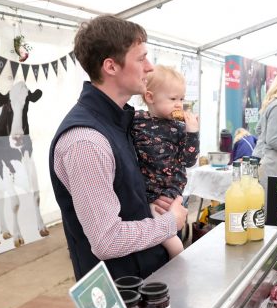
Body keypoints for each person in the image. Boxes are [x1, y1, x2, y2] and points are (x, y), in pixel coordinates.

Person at [49, 15, 188, 281]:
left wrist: (152, 203)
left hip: (145, 279)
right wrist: (171, 223)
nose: (150, 68)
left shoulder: (121, 122)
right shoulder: (85, 141)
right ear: (111, 66)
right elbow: (107, 240)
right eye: (141, 58)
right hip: (122, 296)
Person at [131, 65, 199, 260]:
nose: (179, 105)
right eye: (173, 99)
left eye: (181, 99)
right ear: (150, 97)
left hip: (172, 190)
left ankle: (177, 257)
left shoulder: (178, 127)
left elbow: (189, 160)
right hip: (149, 192)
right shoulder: (136, 121)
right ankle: (176, 256)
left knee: (172, 232)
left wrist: (192, 132)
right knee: (164, 228)